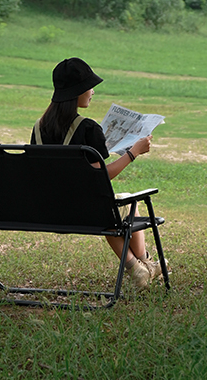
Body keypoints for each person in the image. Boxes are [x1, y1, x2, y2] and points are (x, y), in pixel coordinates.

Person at [30, 57, 161, 289]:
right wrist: (133, 152)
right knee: (121, 205)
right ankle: (139, 265)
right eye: (89, 87)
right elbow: (101, 176)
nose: (92, 91)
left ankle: (143, 266)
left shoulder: (39, 127)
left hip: (47, 210)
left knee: (112, 204)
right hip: (85, 212)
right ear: (77, 91)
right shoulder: (88, 128)